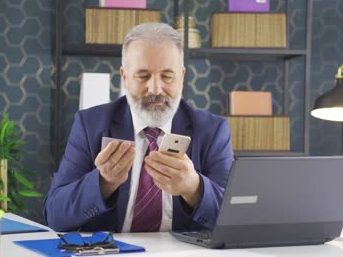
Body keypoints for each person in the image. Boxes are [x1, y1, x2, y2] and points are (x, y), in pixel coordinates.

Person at [44, 22, 234, 233]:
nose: (155, 88)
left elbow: (235, 220)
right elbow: (55, 215)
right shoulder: (91, 125)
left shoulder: (213, 131)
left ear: (182, 77)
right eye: (143, 76)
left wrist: (194, 188)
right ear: (124, 77)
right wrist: (103, 182)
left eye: (167, 76)